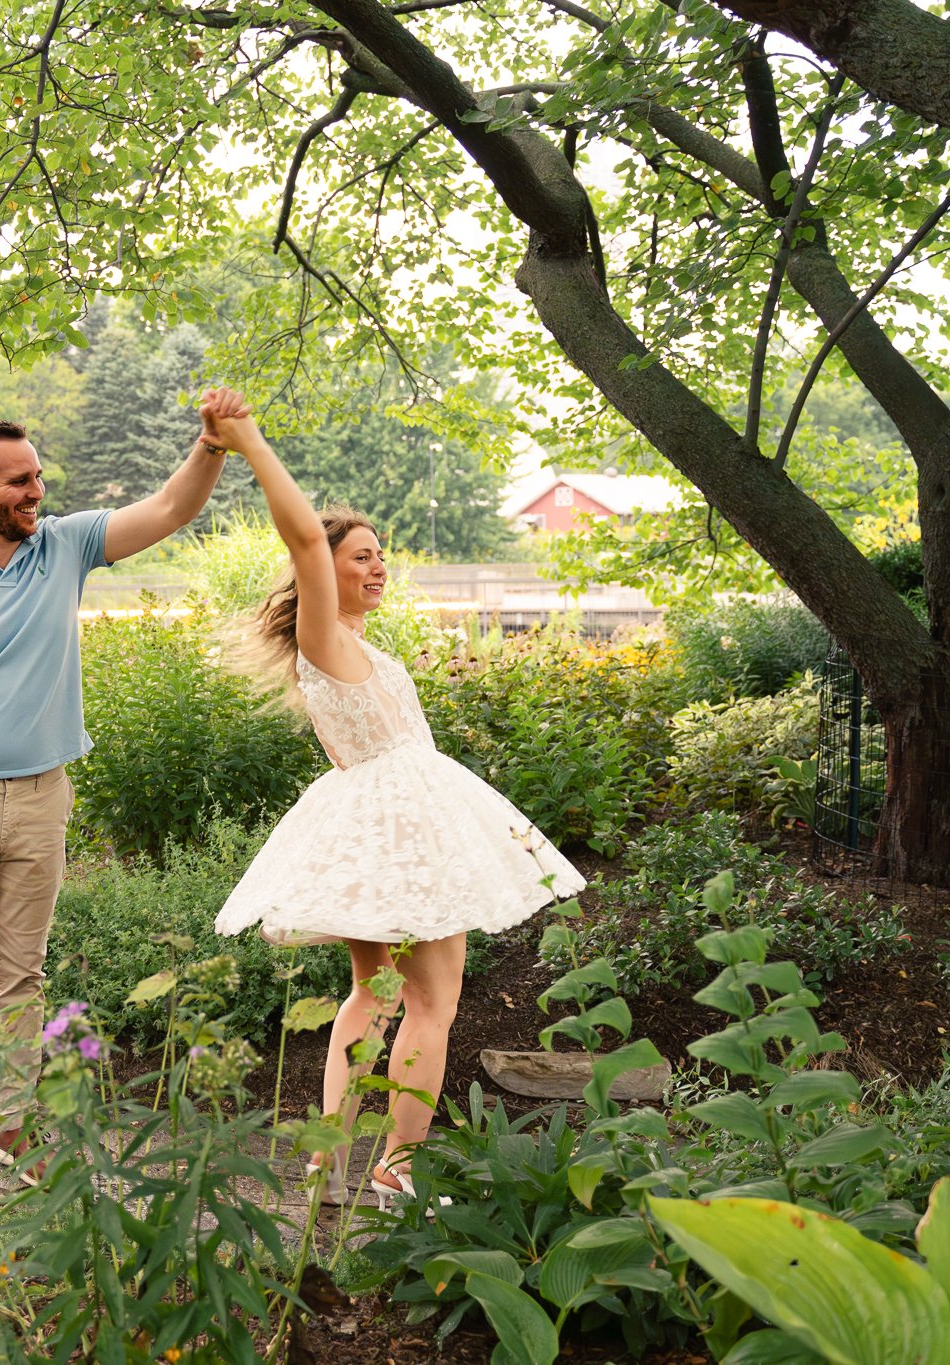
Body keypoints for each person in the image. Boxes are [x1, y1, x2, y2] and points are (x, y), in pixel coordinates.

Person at [0, 391, 249, 1203]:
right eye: (20, 481)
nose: (38, 492)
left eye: (39, 477)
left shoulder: (63, 547)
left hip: (42, 798)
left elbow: (172, 509)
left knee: (21, 975)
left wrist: (209, 445)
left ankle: (17, 1126)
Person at [210, 410, 585, 1207]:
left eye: (382, 554)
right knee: (431, 999)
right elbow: (306, 540)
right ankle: (396, 1166)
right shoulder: (326, 639)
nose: (378, 566)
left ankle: (327, 1161)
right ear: (328, 569)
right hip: (397, 832)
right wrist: (250, 444)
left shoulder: (357, 642)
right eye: (361, 556)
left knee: (377, 993)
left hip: (390, 825)